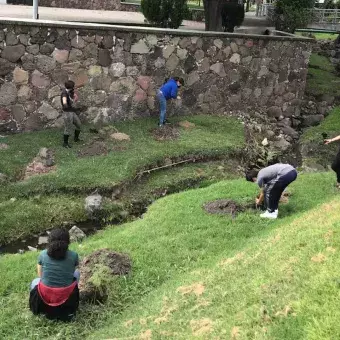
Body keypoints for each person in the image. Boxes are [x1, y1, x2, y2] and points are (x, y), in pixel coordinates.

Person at [29, 228, 80, 321]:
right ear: (67, 241)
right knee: (77, 273)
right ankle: (70, 298)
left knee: (34, 282)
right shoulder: (74, 255)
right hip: (66, 295)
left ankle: (41, 305)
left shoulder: (43, 254)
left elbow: (40, 276)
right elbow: (72, 272)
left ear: (50, 240)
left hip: (45, 294)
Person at [61, 80, 81, 148]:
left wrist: (74, 97)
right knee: (68, 128)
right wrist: (66, 104)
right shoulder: (64, 93)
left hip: (72, 112)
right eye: (73, 86)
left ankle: (76, 138)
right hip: (67, 113)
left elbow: (73, 98)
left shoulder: (69, 92)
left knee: (79, 125)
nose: (74, 87)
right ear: (71, 87)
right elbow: (64, 102)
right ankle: (65, 143)